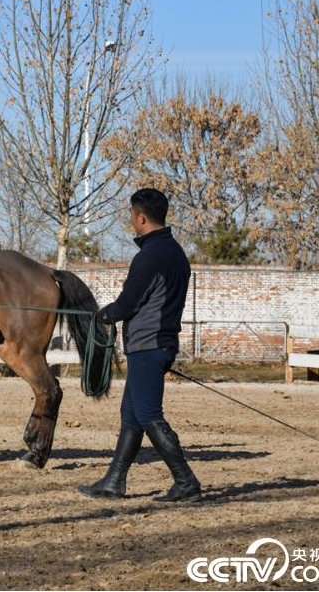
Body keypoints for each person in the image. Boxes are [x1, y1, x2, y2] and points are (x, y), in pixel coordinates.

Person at [79, 188, 201, 503]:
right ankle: (114, 481)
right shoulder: (175, 252)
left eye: (132, 215)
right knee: (132, 414)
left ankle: (185, 481)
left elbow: (128, 304)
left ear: (141, 217)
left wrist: (106, 314)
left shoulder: (149, 257)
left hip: (149, 345)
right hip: (156, 342)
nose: (131, 221)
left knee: (148, 413)